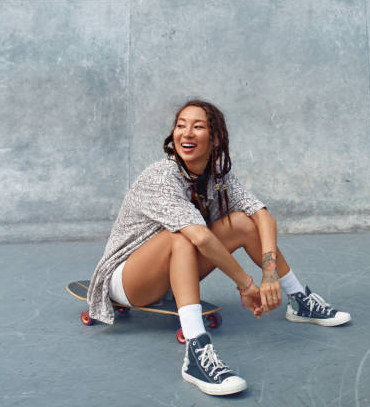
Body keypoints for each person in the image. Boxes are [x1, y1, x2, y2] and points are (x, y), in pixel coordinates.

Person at [87, 99, 351, 396]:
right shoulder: (162, 176)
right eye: (180, 125)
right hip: (127, 279)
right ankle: (196, 352)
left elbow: (262, 216)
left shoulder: (217, 176)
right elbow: (199, 238)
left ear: (215, 139)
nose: (186, 134)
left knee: (241, 223)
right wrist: (247, 285)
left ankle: (298, 299)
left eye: (197, 127)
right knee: (182, 236)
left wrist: (269, 274)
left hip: (170, 272)